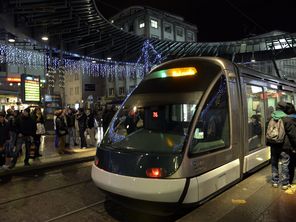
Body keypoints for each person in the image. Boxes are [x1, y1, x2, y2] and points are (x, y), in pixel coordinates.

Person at [268, 102, 296, 190]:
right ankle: (284, 183)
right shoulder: (287, 119)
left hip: (273, 145)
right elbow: (293, 135)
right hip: (285, 146)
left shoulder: (271, 118)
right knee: (285, 164)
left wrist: (269, 143)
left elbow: (267, 132)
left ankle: (275, 181)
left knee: (274, 163)